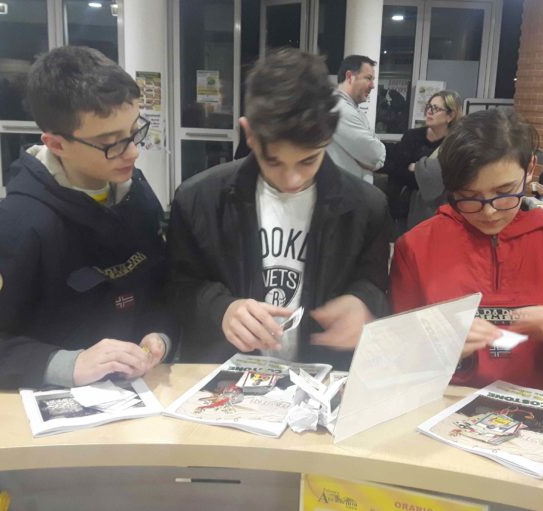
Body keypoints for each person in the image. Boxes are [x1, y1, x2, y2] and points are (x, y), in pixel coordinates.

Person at [0, 46, 176, 389]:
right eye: (110, 143)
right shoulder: (18, 226)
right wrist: (68, 364)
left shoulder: (137, 194)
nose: (132, 152)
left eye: (134, 132)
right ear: (56, 145)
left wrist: (160, 335)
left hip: (137, 393)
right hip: (50, 405)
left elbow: (158, 287)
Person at [167, 48, 392, 370]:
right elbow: (178, 288)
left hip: (320, 378)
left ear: (329, 136)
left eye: (308, 160)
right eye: (273, 161)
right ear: (249, 133)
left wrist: (362, 302)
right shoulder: (198, 200)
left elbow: (373, 283)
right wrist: (222, 309)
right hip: (227, 378)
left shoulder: (367, 206)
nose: (292, 179)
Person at [390, 108, 543, 397]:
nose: (489, 211)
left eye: (504, 192)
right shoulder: (417, 247)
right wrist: (437, 347)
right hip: (442, 407)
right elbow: (394, 354)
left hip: (542, 412)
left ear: (531, 167)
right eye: (469, 197)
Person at [384, 90, 463, 233]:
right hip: (403, 210)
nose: (429, 112)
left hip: (437, 213)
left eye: (436, 108)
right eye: (428, 106)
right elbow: (398, 172)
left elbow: (447, 180)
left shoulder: (454, 144)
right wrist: (426, 172)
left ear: (450, 116)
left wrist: (416, 168)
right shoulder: (412, 137)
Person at [325, 55, 386, 183]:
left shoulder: (354, 110)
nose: (373, 86)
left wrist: (376, 161)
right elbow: (375, 154)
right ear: (349, 77)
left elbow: (376, 155)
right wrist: (376, 161)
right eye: (368, 78)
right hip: (344, 190)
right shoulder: (339, 109)